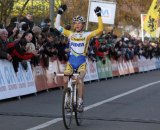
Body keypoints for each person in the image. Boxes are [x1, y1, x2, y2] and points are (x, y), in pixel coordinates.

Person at [54, 5, 103, 111]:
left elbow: (100, 29)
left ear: (83, 25)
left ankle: (80, 101)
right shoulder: (70, 34)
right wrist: (59, 12)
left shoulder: (87, 35)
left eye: (79, 23)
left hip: (81, 63)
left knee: (79, 80)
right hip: (71, 63)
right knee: (65, 79)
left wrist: (99, 15)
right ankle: (67, 98)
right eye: (75, 23)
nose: (77, 25)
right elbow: (57, 26)